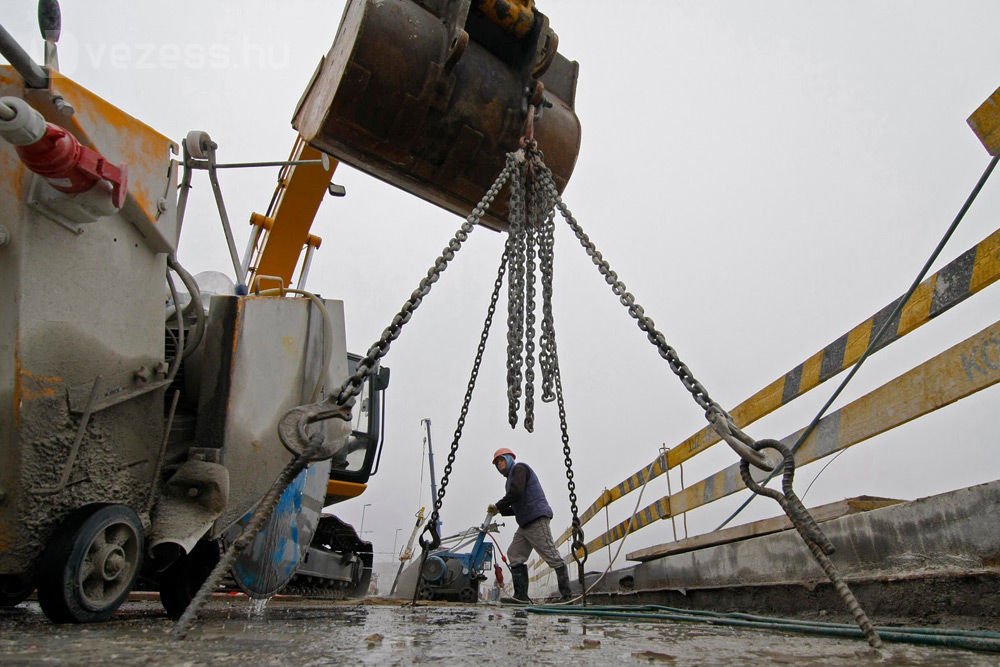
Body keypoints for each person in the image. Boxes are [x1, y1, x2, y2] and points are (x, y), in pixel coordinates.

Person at [487, 448, 572, 603]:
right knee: (514, 554)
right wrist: (502, 510)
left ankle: (567, 596)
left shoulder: (519, 469)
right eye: (497, 463)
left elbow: (517, 493)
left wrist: (499, 506)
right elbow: (518, 503)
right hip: (525, 523)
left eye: (502, 460)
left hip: (536, 519)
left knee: (551, 555)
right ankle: (521, 596)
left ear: (509, 459)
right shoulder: (510, 480)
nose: (500, 464)